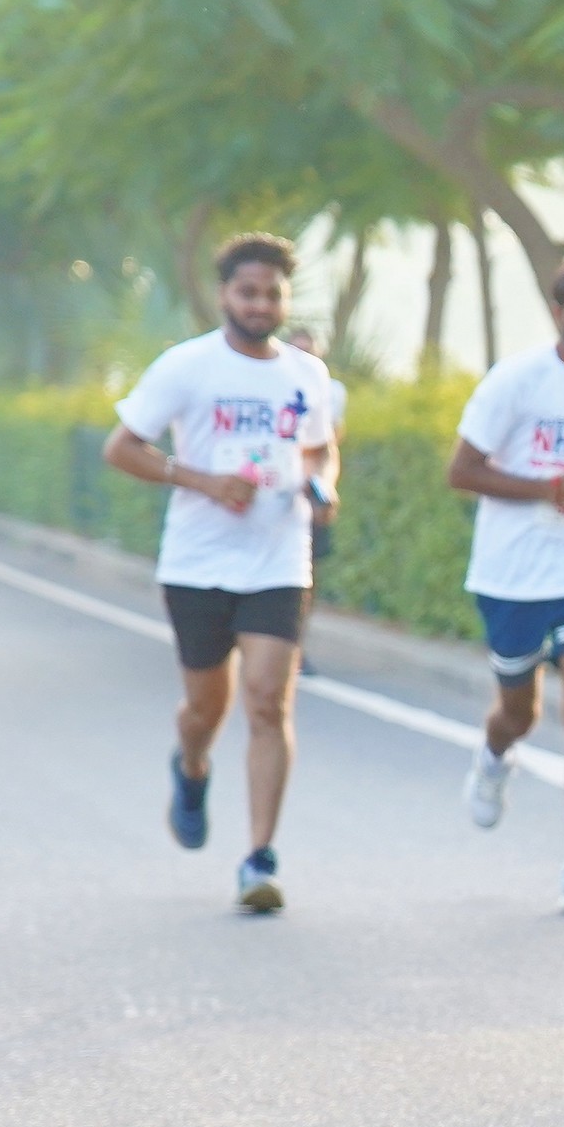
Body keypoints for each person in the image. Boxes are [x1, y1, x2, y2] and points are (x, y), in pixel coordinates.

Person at [103, 233, 336, 912]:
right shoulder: (187, 366)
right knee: (207, 707)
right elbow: (123, 448)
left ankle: (259, 859)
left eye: (272, 294)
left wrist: (323, 486)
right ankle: (192, 764)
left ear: (285, 299)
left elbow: (320, 449)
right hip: (198, 562)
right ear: (224, 295)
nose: (260, 305)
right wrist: (202, 481)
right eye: (247, 292)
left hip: (279, 558)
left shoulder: (306, 374)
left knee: (268, 700)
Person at [447, 255, 564, 913]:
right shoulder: (516, 380)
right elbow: (462, 471)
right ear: (558, 314)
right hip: (512, 570)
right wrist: (551, 489)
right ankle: (494, 755)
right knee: (520, 712)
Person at [281, 326, 347, 676]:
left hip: (305, 497)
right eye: (297, 351)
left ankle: (295, 646)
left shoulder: (329, 389)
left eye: (310, 352)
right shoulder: (268, 382)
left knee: (307, 573)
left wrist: (324, 488)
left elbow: (328, 445)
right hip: (267, 495)